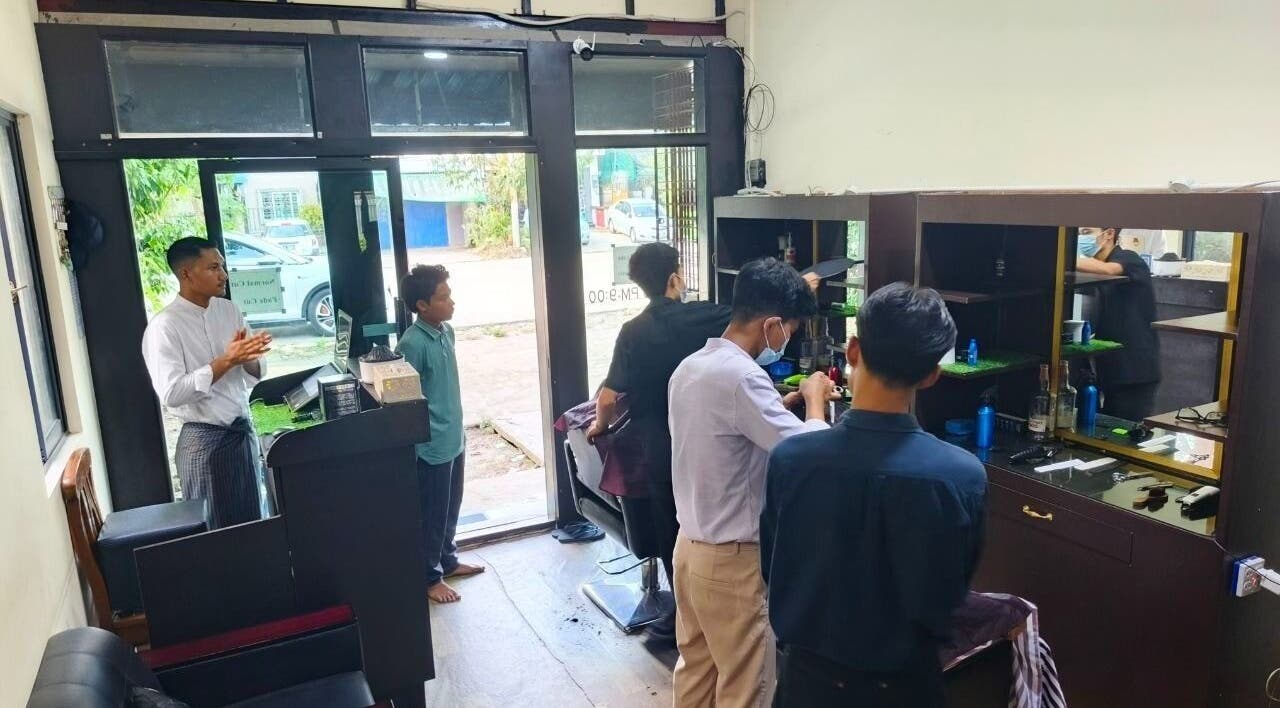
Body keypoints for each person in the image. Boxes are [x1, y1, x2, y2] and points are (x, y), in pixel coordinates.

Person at [761, 283, 987, 708]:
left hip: (809, 686)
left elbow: (773, 569)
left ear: (851, 351)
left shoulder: (791, 460)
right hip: (908, 690)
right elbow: (951, 592)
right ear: (931, 374)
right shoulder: (962, 477)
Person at [667, 257, 836, 708]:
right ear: (772, 325)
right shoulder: (742, 378)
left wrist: (781, 403)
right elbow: (806, 454)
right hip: (731, 564)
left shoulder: (691, 367)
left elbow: (725, 434)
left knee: (697, 675)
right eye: (791, 330)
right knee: (747, 689)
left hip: (688, 550)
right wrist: (815, 402)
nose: (787, 340)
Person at [141, 237, 272, 529]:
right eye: (213, 267)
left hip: (241, 435)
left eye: (222, 266)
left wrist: (247, 358)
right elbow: (172, 393)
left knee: (253, 525)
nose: (223, 275)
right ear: (186, 274)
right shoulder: (165, 326)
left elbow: (257, 371)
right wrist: (225, 360)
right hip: (203, 443)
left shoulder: (229, 311)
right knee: (215, 534)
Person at [397, 264, 484, 604]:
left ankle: (447, 560)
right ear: (421, 305)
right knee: (432, 514)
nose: (452, 303)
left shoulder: (446, 332)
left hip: (454, 437)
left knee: (451, 507)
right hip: (431, 446)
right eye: (443, 298)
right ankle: (430, 577)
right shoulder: (411, 344)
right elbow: (406, 402)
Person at [1076, 227, 1161, 420]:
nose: (1082, 238)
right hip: (1111, 370)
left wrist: (1061, 258)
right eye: (1079, 233)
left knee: (1126, 432)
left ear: (1109, 234)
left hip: (1136, 372)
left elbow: (1108, 270)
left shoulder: (1130, 259)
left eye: (1087, 231)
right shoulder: (1096, 270)